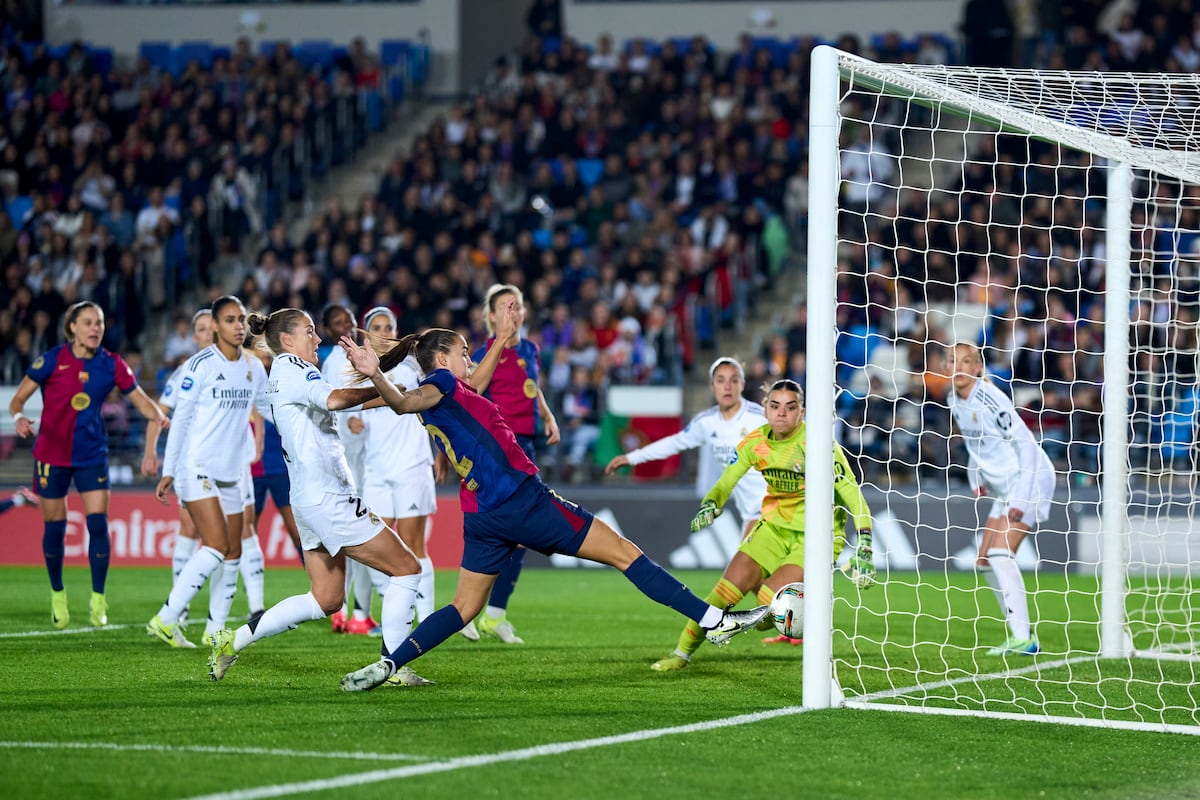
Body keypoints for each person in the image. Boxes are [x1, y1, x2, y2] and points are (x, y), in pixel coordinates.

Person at [335, 301, 770, 692]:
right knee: (623, 551)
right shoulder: (440, 386)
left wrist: (502, 340)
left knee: (464, 607)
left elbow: (440, 392)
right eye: (465, 351)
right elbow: (402, 403)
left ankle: (391, 663)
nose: (471, 358)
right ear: (444, 359)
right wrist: (374, 374)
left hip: (486, 517)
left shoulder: (451, 393)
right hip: (522, 501)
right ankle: (712, 621)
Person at [207, 307, 428, 686]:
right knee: (408, 568)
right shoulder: (294, 367)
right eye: (309, 331)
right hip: (329, 498)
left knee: (325, 600)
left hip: (309, 499)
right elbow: (336, 400)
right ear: (288, 340)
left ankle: (233, 640)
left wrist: (391, 394)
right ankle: (394, 667)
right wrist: (379, 381)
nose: (318, 338)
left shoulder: (281, 373)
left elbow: (343, 400)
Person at [650, 379, 876, 671]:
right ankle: (680, 655)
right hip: (771, 529)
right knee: (721, 594)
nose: (782, 413)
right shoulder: (755, 443)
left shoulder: (818, 445)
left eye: (790, 407)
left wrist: (865, 541)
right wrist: (711, 504)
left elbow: (851, 493)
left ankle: (755, 623)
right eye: (775, 406)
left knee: (772, 601)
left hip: (816, 538)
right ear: (766, 410)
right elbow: (726, 482)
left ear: (802, 413)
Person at [8, 300, 169, 628]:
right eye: (88, 323)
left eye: (99, 323)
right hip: (51, 455)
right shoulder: (52, 360)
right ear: (72, 329)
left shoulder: (111, 364)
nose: (96, 328)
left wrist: (159, 415)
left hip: (92, 455)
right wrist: (19, 417)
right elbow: (18, 398)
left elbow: (138, 399)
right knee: (54, 528)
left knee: (98, 524)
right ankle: (58, 594)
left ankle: (98, 598)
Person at [604, 357, 784, 641]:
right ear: (712, 386)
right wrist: (631, 457)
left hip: (775, 505)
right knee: (757, 580)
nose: (728, 386)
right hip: (751, 510)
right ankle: (792, 621)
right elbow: (674, 443)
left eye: (734, 380)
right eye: (721, 380)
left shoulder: (758, 417)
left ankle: (698, 640)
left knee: (742, 571)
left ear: (742, 384)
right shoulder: (706, 422)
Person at [146, 295, 267, 648]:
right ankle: (167, 618)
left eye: (241, 319)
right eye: (230, 320)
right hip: (197, 467)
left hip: (232, 471)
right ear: (215, 326)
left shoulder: (253, 367)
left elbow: (266, 407)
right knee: (215, 545)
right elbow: (180, 419)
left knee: (233, 552)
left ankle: (215, 629)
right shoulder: (198, 365)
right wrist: (169, 469)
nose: (238, 325)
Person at [466, 283, 561, 644]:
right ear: (491, 316)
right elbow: (471, 395)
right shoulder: (485, 352)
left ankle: (493, 614)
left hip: (527, 444)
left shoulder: (531, 349)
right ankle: (472, 610)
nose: (514, 313)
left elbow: (532, 387)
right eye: (506, 307)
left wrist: (547, 415)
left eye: (517, 306)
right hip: (499, 448)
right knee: (503, 530)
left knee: (519, 536)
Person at [948, 342, 1055, 656]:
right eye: (952, 360)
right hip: (1004, 486)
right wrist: (975, 477)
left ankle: (1024, 638)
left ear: (978, 369)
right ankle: (1018, 634)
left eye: (966, 361)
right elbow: (975, 444)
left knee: (999, 554)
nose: (958, 367)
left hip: (1029, 479)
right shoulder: (954, 398)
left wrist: (1021, 499)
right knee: (983, 561)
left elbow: (1028, 448)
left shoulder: (991, 398)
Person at [357, 306, 439, 629]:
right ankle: (397, 613)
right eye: (377, 327)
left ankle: (428, 619)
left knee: (413, 546)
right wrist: (352, 422)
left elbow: (436, 401)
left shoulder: (413, 365)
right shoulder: (358, 370)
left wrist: (442, 451)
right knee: (371, 544)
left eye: (389, 326)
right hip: (375, 469)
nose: (385, 332)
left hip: (412, 466)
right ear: (366, 333)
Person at [140, 308, 214, 644]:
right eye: (201, 329)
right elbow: (161, 413)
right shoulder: (189, 370)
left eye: (211, 326)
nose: (208, 332)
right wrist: (151, 451)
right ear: (194, 337)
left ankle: (187, 614)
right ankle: (177, 614)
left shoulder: (236, 366)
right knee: (194, 530)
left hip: (222, 464)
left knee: (216, 537)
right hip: (191, 464)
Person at [320, 305, 374, 635]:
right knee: (354, 539)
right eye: (339, 324)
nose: (347, 327)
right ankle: (349, 612)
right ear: (329, 331)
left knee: (355, 538)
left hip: (370, 460)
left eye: (350, 321)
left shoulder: (367, 355)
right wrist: (348, 418)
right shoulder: (333, 363)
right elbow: (328, 404)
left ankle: (352, 613)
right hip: (345, 463)